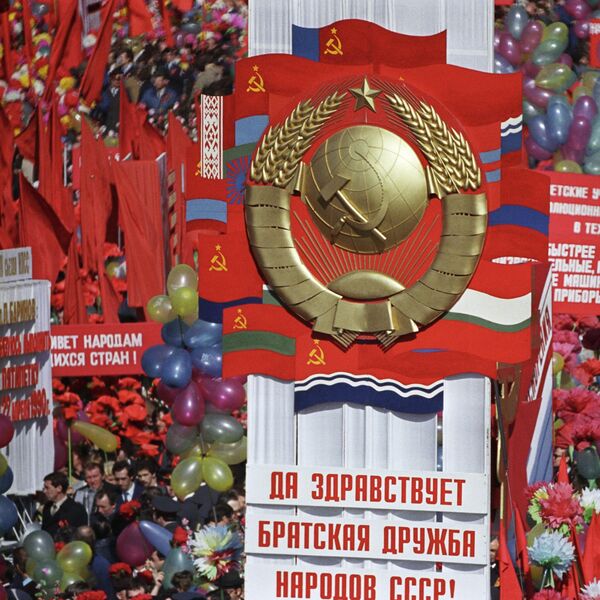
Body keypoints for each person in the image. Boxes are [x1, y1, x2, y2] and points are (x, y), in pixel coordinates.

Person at [41, 472, 87, 537]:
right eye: (44, 488)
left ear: (59, 488)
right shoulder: (47, 507)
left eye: (47, 488)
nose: (44, 491)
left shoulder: (76, 509)